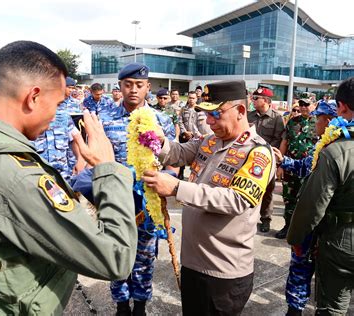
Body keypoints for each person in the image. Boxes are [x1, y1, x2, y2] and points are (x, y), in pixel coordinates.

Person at [0, 40, 138, 315]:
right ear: (33, 97)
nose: (56, 114)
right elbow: (116, 258)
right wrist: (108, 168)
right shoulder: (15, 176)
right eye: (58, 103)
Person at [142, 80, 275, 315]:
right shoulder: (209, 141)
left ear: (240, 111)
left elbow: (237, 200)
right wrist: (154, 140)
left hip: (223, 273)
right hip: (193, 263)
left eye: (216, 114)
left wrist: (176, 188)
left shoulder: (257, 152)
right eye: (206, 114)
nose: (209, 121)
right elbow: (177, 153)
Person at [98, 63, 175, 316]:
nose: (133, 90)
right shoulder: (105, 118)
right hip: (116, 200)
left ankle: (140, 305)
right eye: (128, 84)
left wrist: (165, 180)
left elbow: (171, 161)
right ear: (119, 87)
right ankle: (121, 305)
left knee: (144, 256)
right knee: (117, 252)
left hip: (148, 201)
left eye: (139, 85)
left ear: (147, 87)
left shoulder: (161, 120)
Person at [287, 78, 354, 315]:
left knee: (332, 307)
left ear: (342, 107)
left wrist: (296, 237)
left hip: (341, 239)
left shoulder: (336, 150)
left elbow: (313, 205)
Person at [273, 100, 337, 316]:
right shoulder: (324, 146)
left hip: (322, 223)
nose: (314, 122)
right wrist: (283, 161)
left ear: (327, 121)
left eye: (317, 118)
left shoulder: (334, 149)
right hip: (317, 223)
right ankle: (295, 309)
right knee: (302, 268)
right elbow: (304, 167)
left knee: (315, 270)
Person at [276, 97, 318, 239]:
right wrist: (280, 165)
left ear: (313, 105)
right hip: (290, 166)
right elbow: (284, 142)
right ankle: (288, 226)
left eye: (306, 104)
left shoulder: (320, 122)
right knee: (289, 198)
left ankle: (305, 230)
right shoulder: (293, 121)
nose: (303, 107)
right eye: (301, 104)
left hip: (309, 169)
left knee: (308, 200)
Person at [31, 77, 85, 182]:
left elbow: (74, 139)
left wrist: (79, 159)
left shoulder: (63, 115)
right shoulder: (29, 116)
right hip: (37, 175)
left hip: (62, 175)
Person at [247, 86, 284, 233]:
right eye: (253, 98)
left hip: (267, 159)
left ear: (267, 101)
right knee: (247, 188)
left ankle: (266, 219)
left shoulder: (277, 118)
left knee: (268, 191)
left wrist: (265, 152)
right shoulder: (249, 116)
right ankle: (246, 216)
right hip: (248, 158)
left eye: (256, 98)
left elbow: (279, 139)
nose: (253, 100)